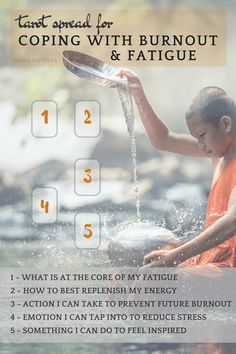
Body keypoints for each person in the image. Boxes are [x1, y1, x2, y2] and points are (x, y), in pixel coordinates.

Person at [118, 69, 236, 268]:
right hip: (211, 260)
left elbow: (232, 221)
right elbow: (164, 140)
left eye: (201, 135)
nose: (199, 144)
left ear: (225, 124)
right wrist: (139, 96)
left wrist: (174, 257)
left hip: (228, 267)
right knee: (124, 274)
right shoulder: (217, 151)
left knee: (159, 279)